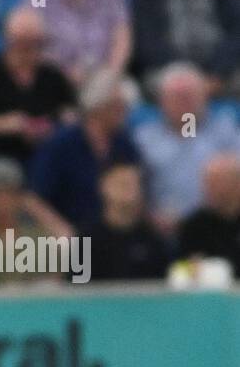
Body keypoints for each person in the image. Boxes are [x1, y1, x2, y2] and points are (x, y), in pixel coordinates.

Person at [0, 8, 77, 166]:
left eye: (35, 45)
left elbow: (72, 116)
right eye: (22, 45)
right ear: (9, 43)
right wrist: (1, 125)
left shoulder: (53, 77)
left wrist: (58, 126)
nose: (28, 52)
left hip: (48, 157)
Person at [133, 62, 240, 230]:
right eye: (177, 97)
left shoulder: (226, 133)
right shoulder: (144, 140)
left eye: (189, 96)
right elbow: (131, 186)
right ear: (162, 101)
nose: (184, 104)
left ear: (204, 96)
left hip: (217, 226)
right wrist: (148, 215)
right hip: (162, 229)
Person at [28, 69, 141, 227]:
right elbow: (33, 199)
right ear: (97, 106)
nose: (124, 112)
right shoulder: (61, 145)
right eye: (117, 106)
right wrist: (62, 232)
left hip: (112, 235)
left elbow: (134, 195)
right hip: (71, 233)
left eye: (125, 106)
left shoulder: (124, 144)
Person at [0, 159, 74, 284]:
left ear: (19, 197)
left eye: (8, 194)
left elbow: (56, 277)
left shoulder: (39, 237)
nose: (1, 202)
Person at [22, 0, 131, 89]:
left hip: (102, 73)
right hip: (55, 75)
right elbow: (28, 35)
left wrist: (111, 73)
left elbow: (122, 36)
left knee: (124, 93)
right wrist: (61, 73)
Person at [132, 0, 240, 88]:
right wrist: (188, 75)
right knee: (177, 88)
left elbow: (235, 33)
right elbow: (148, 44)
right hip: (169, 70)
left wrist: (218, 71)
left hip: (219, 71)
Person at [84, 163, 172, 280]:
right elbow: (74, 290)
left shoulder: (154, 239)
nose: (131, 191)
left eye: (136, 185)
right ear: (103, 186)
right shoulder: (86, 239)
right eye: (123, 184)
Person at [174, 153, 240, 275]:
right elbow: (179, 270)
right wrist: (190, 269)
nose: (210, 189)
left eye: (218, 182)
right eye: (207, 183)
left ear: (237, 183)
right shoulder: (194, 226)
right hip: (209, 292)